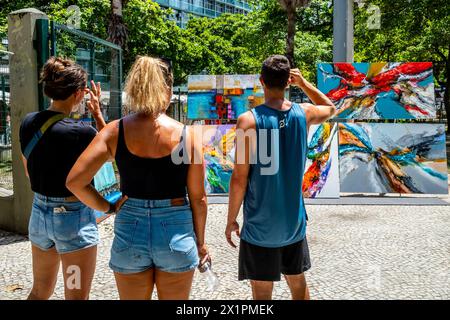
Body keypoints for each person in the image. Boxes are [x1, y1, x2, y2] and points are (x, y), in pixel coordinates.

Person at [66, 56, 209, 300]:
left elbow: (75, 181)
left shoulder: (114, 131)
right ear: (167, 88)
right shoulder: (187, 136)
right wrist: (201, 242)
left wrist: (107, 207)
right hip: (176, 229)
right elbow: (199, 198)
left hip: (130, 227)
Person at [225, 55, 336, 300]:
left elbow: (239, 179)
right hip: (293, 223)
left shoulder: (248, 121)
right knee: (298, 285)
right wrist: (304, 84)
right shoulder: (304, 113)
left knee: (262, 292)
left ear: (261, 81)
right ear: (288, 82)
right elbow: (331, 108)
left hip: (259, 225)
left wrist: (231, 219)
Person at [19, 57, 106, 300]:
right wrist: (97, 113)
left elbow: (29, 171)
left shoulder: (28, 123)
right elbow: (111, 152)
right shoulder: (82, 132)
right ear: (79, 94)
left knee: (39, 291)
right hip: (73, 223)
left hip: (39, 216)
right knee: (76, 295)